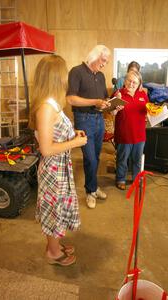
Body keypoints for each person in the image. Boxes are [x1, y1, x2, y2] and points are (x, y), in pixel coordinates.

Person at [29, 55, 87, 266]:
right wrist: (75, 144)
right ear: (56, 77)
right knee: (54, 211)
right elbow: (46, 149)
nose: (67, 78)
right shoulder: (46, 107)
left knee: (59, 208)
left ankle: (54, 245)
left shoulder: (53, 103)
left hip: (60, 167)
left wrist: (73, 134)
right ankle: (53, 253)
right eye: (64, 73)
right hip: (53, 169)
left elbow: (55, 134)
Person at [67, 45, 111, 209]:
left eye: (106, 61)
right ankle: (90, 191)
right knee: (90, 158)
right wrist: (95, 102)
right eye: (103, 60)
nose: (104, 64)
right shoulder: (76, 71)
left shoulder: (100, 76)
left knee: (96, 157)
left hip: (99, 119)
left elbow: (104, 100)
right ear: (94, 56)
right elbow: (71, 99)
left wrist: (112, 105)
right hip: (83, 119)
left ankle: (93, 186)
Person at [114, 70, 149, 190]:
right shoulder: (118, 94)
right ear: (124, 81)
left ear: (139, 83)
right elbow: (111, 112)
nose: (131, 83)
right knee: (122, 159)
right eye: (129, 80)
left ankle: (136, 178)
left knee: (137, 160)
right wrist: (116, 108)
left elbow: (148, 111)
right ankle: (120, 179)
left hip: (140, 135)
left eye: (135, 82)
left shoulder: (143, 95)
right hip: (124, 134)